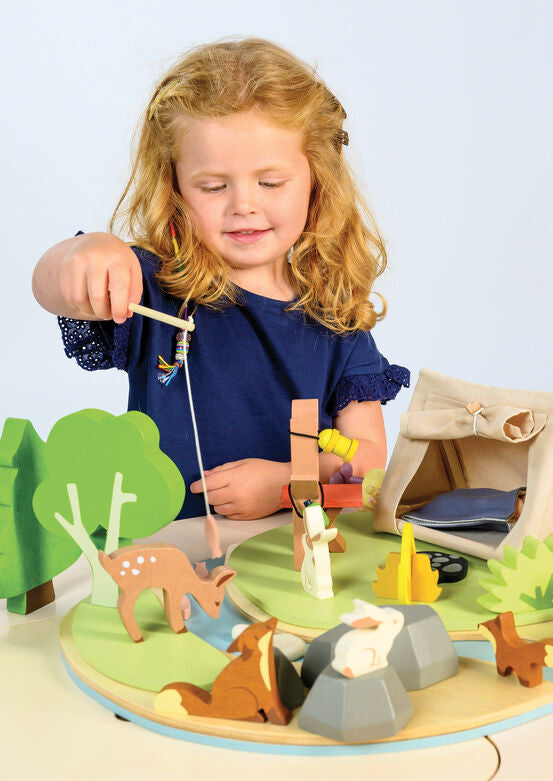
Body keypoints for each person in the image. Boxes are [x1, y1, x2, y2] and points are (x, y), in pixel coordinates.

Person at [32, 37, 408, 521]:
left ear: (317, 180)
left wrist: (281, 485)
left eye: (270, 182)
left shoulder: (336, 318)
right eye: (213, 186)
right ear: (175, 186)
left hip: (297, 556)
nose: (243, 204)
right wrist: (86, 251)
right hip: (170, 547)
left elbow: (367, 458)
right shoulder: (155, 286)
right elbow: (52, 288)